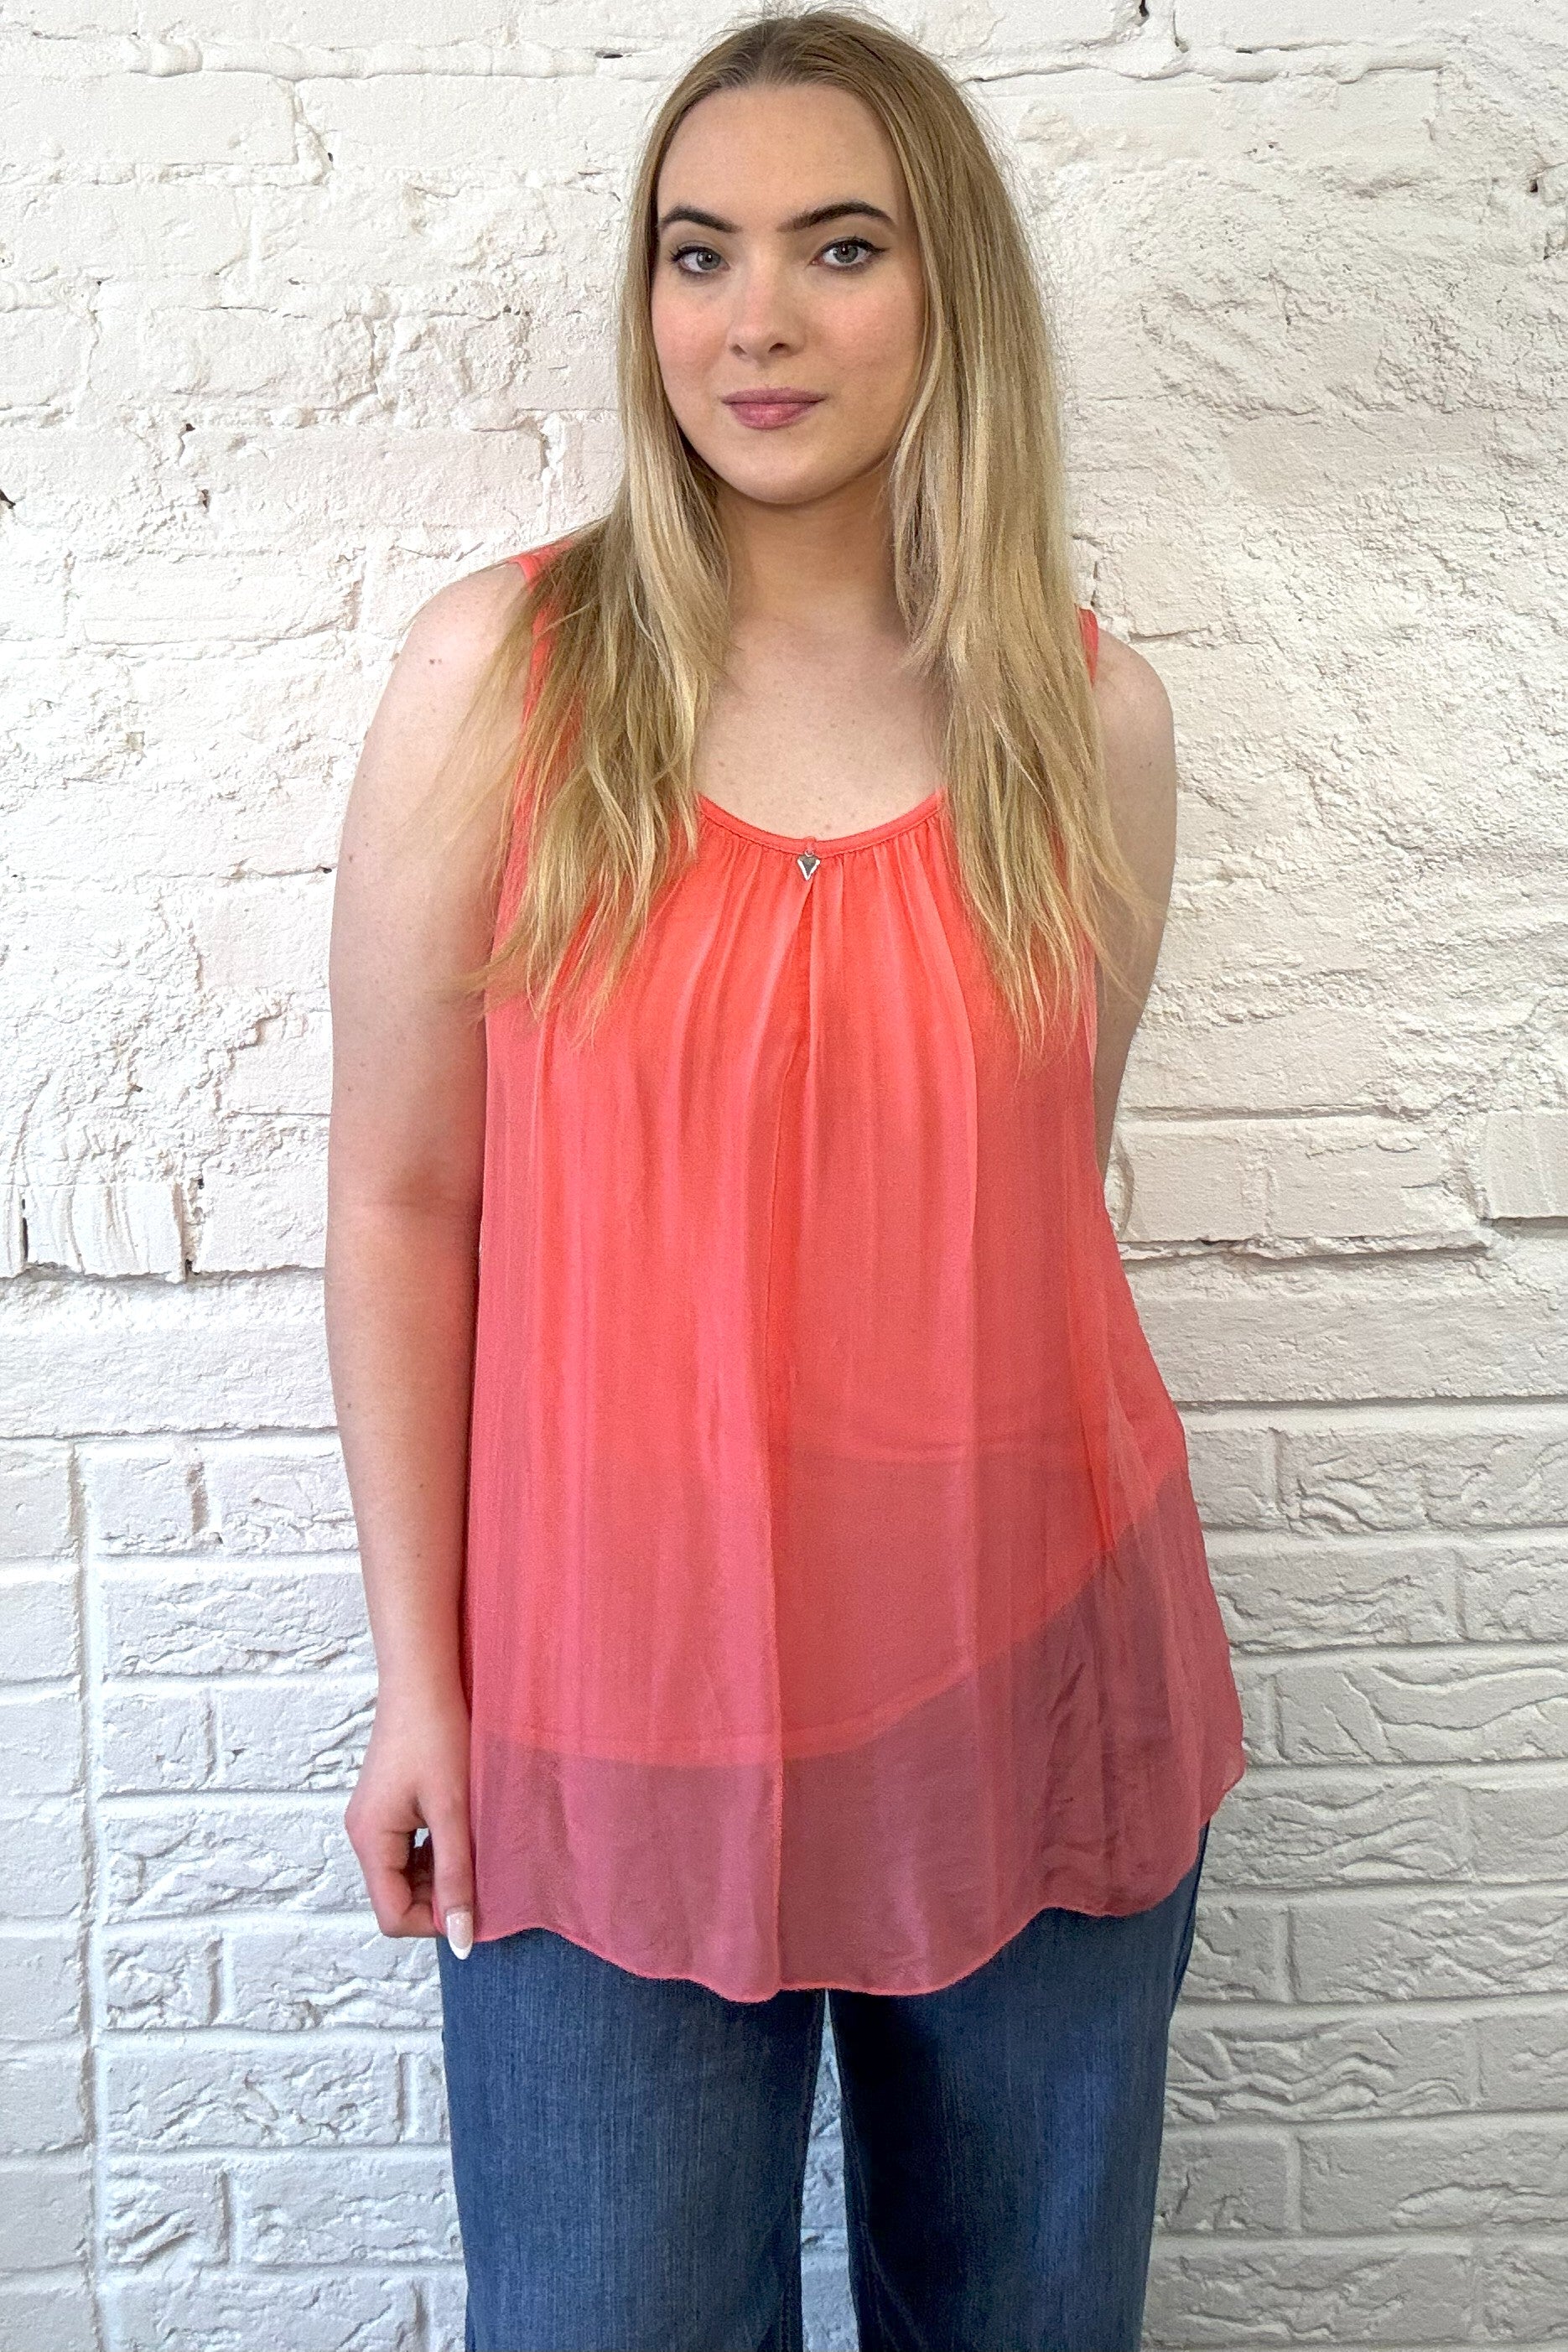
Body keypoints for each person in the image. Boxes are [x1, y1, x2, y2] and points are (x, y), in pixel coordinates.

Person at [325, 8, 1246, 2348]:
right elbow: (407, 1203)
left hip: (1031, 1686)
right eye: (697, 251)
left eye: (841, 248)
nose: (755, 319)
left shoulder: (1085, 727)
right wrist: (422, 1681)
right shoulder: (503, 683)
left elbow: (1031, 1218)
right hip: (601, 1709)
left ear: (953, 295)